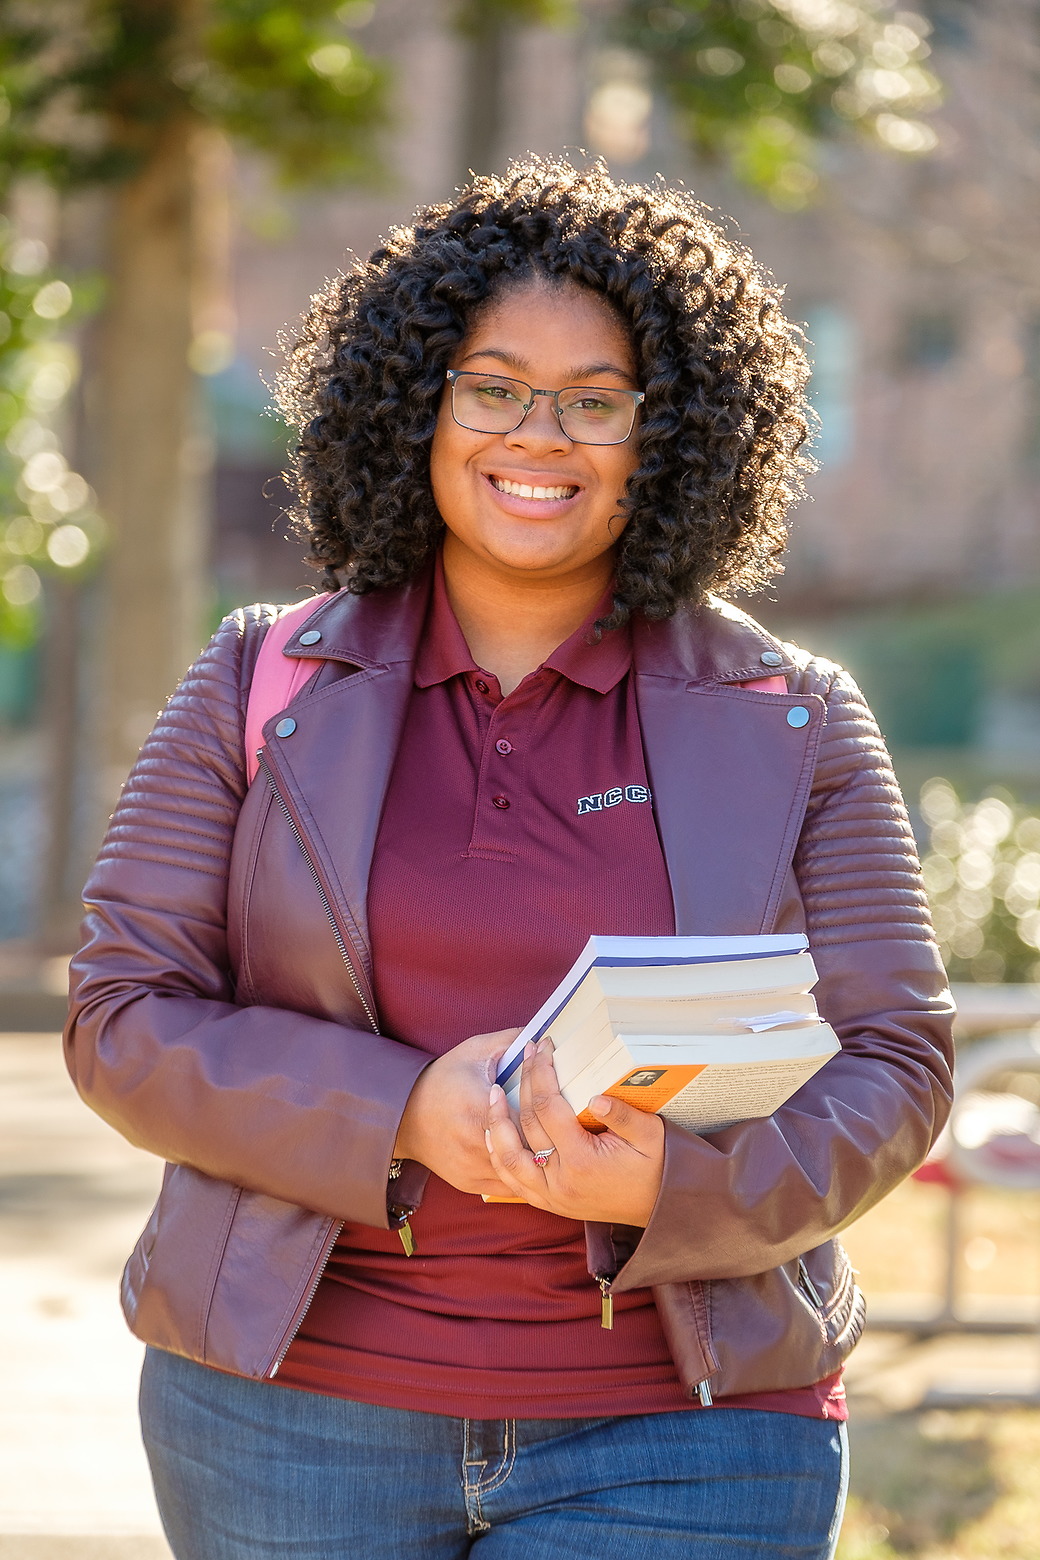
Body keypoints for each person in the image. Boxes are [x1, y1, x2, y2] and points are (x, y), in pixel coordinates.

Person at [65, 157, 954, 1560]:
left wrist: (679, 1187)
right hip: (288, 1426)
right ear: (417, 407)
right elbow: (124, 1018)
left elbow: (895, 1059)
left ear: (668, 440)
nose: (542, 435)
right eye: (493, 387)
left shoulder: (794, 717)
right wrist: (407, 1108)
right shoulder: (259, 680)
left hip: (694, 1439)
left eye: (598, 400)